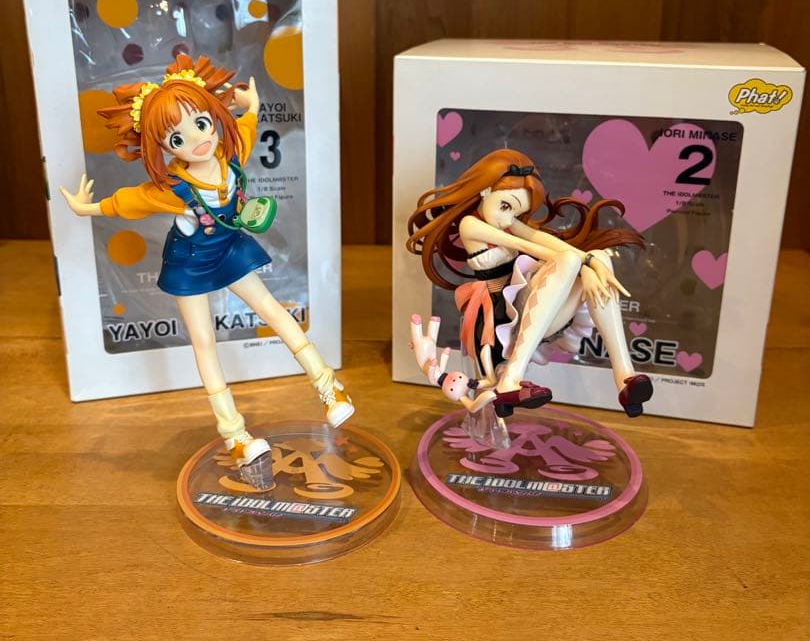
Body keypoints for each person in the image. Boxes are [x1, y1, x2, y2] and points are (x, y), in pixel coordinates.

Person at [60, 53, 353, 475]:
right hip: (190, 261)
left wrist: (253, 104)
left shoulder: (232, 157)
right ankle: (235, 435)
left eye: (201, 123)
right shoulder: (173, 188)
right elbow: (129, 202)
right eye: (176, 139)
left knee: (273, 310)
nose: (196, 139)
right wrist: (86, 208)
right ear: (161, 148)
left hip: (229, 248)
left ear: (214, 116)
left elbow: (247, 126)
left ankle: (329, 387)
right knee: (203, 341)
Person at [406, 148, 653, 417]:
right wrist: (584, 266)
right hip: (499, 318)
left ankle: (625, 378)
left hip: (531, 309)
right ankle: (511, 378)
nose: (508, 218)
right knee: (571, 260)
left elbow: (544, 241)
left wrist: (592, 262)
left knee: (602, 258)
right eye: (505, 206)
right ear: (485, 190)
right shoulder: (470, 225)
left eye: (515, 212)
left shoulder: (505, 221)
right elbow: (527, 246)